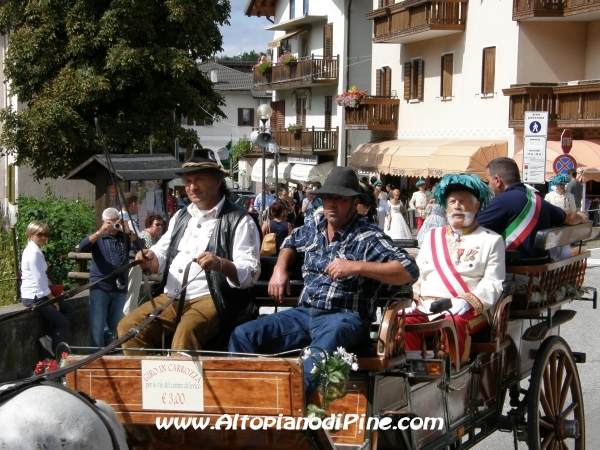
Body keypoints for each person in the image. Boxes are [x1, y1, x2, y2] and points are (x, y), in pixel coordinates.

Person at [229, 166, 419, 399]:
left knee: (324, 343)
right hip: (304, 313)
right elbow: (290, 240)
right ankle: (246, 402)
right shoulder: (313, 229)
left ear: (354, 202)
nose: (331, 204)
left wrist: (357, 266)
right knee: (243, 335)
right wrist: (280, 268)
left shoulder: (369, 236)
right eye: (328, 198)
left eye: (339, 199)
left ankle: (291, 410)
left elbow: (409, 269)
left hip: (345, 317)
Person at [117, 148, 261, 355]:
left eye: (199, 179)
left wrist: (220, 264)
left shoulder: (239, 219)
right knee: (128, 328)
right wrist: (149, 258)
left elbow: (250, 271)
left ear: (217, 182)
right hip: (170, 297)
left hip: (214, 299)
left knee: (185, 335)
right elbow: (162, 253)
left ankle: (179, 386)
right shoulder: (181, 216)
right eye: (188, 181)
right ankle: (146, 384)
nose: (192, 187)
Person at [404, 174, 504, 364]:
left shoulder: (491, 240)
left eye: (463, 201)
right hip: (427, 306)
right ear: (446, 206)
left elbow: (493, 283)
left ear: (476, 206)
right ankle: (411, 375)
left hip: (467, 309)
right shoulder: (432, 236)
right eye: (452, 202)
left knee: (453, 322)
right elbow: (418, 275)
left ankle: (452, 377)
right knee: (401, 320)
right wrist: (412, 299)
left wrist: (467, 302)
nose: (457, 206)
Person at [477, 157, 588, 259]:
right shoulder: (538, 200)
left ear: (497, 180)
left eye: (488, 181)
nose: (488, 185)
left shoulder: (501, 201)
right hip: (539, 271)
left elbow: (473, 230)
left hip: (512, 271)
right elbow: (571, 217)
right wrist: (581, 217)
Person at [79, 208, 137, 349]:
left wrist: (128, 232)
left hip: (120, 287)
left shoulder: (124, 237)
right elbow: (82, 247)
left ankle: (109, 353)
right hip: (100, 287)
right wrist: (100, 231)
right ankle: (95, 358)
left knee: (114, 326)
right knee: (97, 325)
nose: (113, 227)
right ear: (103, 222)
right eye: (110, 223)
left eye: (116, 223)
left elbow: (141, 247)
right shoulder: (98, 237)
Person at [21, 221, 74, 357]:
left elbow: (40, 275)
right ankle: (56, 355)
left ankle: (50, 337)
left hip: (38, 294)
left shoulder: (33, 250)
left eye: (46, 234)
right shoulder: (34, 253)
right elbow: (38, 280)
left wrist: (50, 285)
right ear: (31, 235)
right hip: (35, 296)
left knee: (68, 309)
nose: (44, 237)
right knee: (63, 323)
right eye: (40, 235)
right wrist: (53, 300)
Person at [121, 193, 143, 315]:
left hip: (115, 264)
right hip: (130, 262)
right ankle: (127, 327)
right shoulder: (129, 222)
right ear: (133, 204)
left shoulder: (113, 219)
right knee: (130, 297)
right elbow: (140, 243)